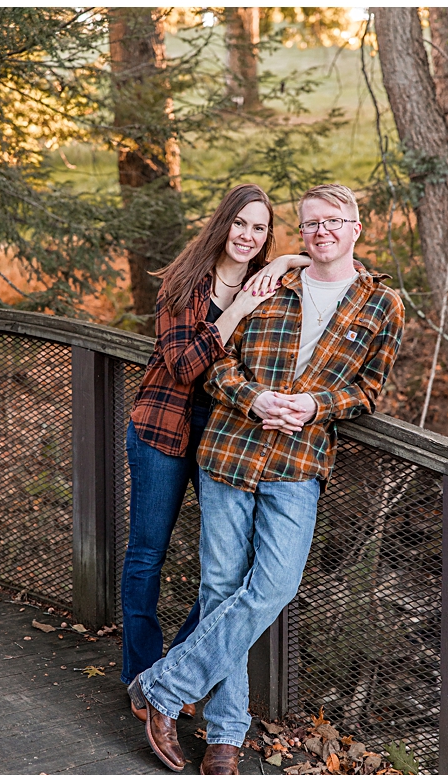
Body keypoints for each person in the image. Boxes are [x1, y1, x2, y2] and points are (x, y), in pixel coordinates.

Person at [131, 183, 404, 775]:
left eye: (334, 221)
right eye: (310, 224)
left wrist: (311, 406)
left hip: (299, 460)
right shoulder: (270, 283)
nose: (321, 232)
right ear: (300, 232)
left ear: (356, 227)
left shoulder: (382, 304)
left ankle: (163, 686)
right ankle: (228, 733)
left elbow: (368, 392)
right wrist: (254, 398)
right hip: (230, 448)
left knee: (273, 586)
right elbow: (217, 363)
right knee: (221, 585)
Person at [124, 184, 310, 716]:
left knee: (225, 573)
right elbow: (184, 366)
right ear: (223, 224)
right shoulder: (183, 282)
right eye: (241, 224)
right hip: (162, 430)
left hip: (222, 439)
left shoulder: (269, 279)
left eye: (260, 228)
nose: (249, 236)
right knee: (147, 557)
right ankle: (139, 672)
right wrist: (234, 312)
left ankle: (173, 673)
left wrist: (295, 256)